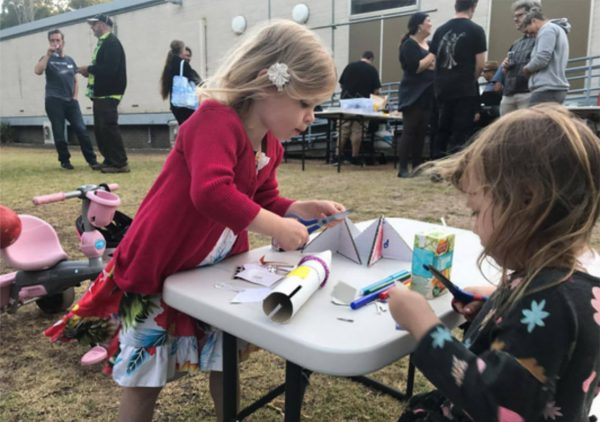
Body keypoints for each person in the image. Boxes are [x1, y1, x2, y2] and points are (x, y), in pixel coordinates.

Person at [44, 19, 345, 422]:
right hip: (163, 264)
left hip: (213, 271)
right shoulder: (213, 120)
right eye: (305, 103)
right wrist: (276, 227)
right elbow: (212, 192)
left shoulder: (270, 143)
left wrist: (296, 208)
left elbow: (262, 197)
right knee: (144, 373)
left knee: (225, 359)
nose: (311, 116)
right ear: (266, 84)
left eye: (315, 106)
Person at [389, 104, 600, 421]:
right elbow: (543, 359)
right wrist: (497, 307)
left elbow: (495, 402)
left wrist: (425, 328)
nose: (473, 225)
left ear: (526, 202)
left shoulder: (551, 302)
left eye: (476, 210)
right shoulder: (571, 289)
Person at [34, 29, 100, 171]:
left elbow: (75, 80)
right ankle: (65, 161)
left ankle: (92, 161)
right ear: (49, 42)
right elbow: (38, 71)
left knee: (81, 130)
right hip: (54, 101)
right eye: (52, 40)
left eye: (58, 40)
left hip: (70, 102)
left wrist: (75, 98)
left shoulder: (70, 60)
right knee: (59, 133)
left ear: (63, 42)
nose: (55, 43)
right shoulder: (47, 58)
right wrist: (47, 55)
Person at [429, 0, 487, 156]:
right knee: (460, 131)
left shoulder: (440, 30)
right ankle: (454, 169)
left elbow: (433, 61)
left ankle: (437, 167)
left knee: (441, 130)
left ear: (455, 6)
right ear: (473, 7)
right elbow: (481, 64)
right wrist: (471, 80)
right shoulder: (476, 30)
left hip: (442, 87)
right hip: (464, 88)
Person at [77, 14, 129, 174]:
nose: (91, 28)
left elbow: (110, 69)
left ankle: (120, 163)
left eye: (93, 24)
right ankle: (109, 159)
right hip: (101, 94)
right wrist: (90, 72)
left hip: (109, 93)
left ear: (102, 24)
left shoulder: (111, 43)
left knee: (108, 127)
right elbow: (105, 68)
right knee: (101, 129)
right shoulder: (105, 43)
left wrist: (89, 69)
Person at [396, 13, 436, 178]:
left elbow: (433, 67)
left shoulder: (429, 44)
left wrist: (428, 62)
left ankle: (418, 167)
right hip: (413, 93)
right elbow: (416, 68)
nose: (431, 24)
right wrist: (432, 55)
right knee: (410, 130)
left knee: (422, 131)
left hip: (428, 93)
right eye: (428, 21)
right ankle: (403, 168)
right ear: (419, 25)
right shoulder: (409, 44)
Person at [336, 50, 382, 165]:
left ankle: (337, 156)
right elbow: (376, 91)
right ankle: (354, 157)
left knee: (343, 129)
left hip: (346, 102)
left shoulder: (349, 66)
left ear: (362, 57)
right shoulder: (372, 70)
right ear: (371, 59)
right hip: (363, 104)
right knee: (358, 130)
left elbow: (341, 84)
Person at [496, 0, 539, 115]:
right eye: (514, 16)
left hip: (528, 93)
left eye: (520, 15)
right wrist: (505, 68)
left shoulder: (542, 39)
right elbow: (505, 71)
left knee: (527, 131)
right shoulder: (516, 43)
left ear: (532, 15)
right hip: (508, 94)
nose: (515, 19)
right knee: (505, 131)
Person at [521, 8, 570, 106]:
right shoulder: (555, 29)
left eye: (528, 31)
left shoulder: (547, 29)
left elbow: (542, 57)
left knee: (533, 120)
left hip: (547, 88)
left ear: (534, 21)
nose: (529, 35)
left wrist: (527, 69)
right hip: (553, 88)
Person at [160, 40, 201, 125]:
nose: (187, 56)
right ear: (181, 51)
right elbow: (196, 81)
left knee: (183, 128)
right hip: (185, 104)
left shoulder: (170, 64)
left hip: (175, 103)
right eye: (185, 51)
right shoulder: (183, 65)